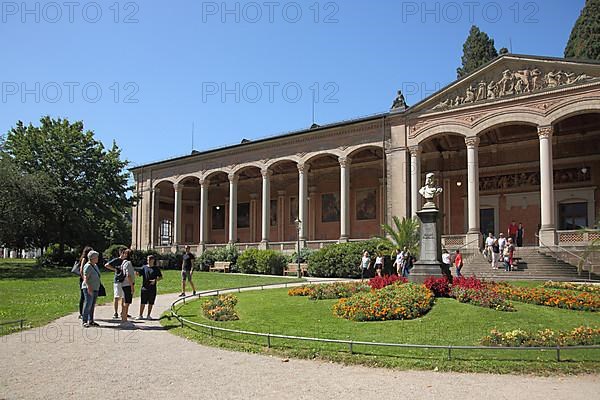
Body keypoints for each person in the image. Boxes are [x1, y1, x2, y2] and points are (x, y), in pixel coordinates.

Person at [136, 255, 163, 320]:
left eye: (149, 260)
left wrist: (155, 280)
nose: (148, 261)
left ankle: (148, 315)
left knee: (151, 302)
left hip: (152, 288)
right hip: (144, 287)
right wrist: (136, 273)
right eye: (147, 260)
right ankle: (140, 315)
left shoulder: (156, 269)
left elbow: (161, 277)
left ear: (153, 260)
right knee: (143, 302)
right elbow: (139, 274)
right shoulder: (144, 267)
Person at [81, 250, 102, 328]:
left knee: (92, 305)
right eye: (96, 257)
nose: (97, 258)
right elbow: (85, 278)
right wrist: (89, 287)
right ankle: (84, 321)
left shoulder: (95, 265)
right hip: (88, 288)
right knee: (88, 304)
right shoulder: (88, 266)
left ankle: (91, 320)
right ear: (92, 258)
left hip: (95, 288)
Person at [104, 249, 127, 319]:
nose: (125, 255)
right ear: (121, 253)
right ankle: (115, 312)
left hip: (124, 281)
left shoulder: (126, 261)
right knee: (117, 297)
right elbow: (106, 265)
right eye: (124, 253)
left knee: (124, 297)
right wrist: (114, 269)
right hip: (117, 280)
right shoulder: (117, 260)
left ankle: (123, 312)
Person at [76, 246, 93, 319]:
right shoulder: (84, 259)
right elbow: (81, 270)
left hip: (87, 279)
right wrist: (84, 280)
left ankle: (85, 312)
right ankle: (81, 313)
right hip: (83, 279)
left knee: (86, 297)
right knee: (83, 296)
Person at [119, 249, 135, 324]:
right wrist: (132, 286)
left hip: (124, 284)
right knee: (127, 302)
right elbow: (128, 275)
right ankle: (124, 319)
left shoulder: (123, 263)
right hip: (128, 284)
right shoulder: (128, 263)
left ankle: (123, 316)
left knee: (125, 300)